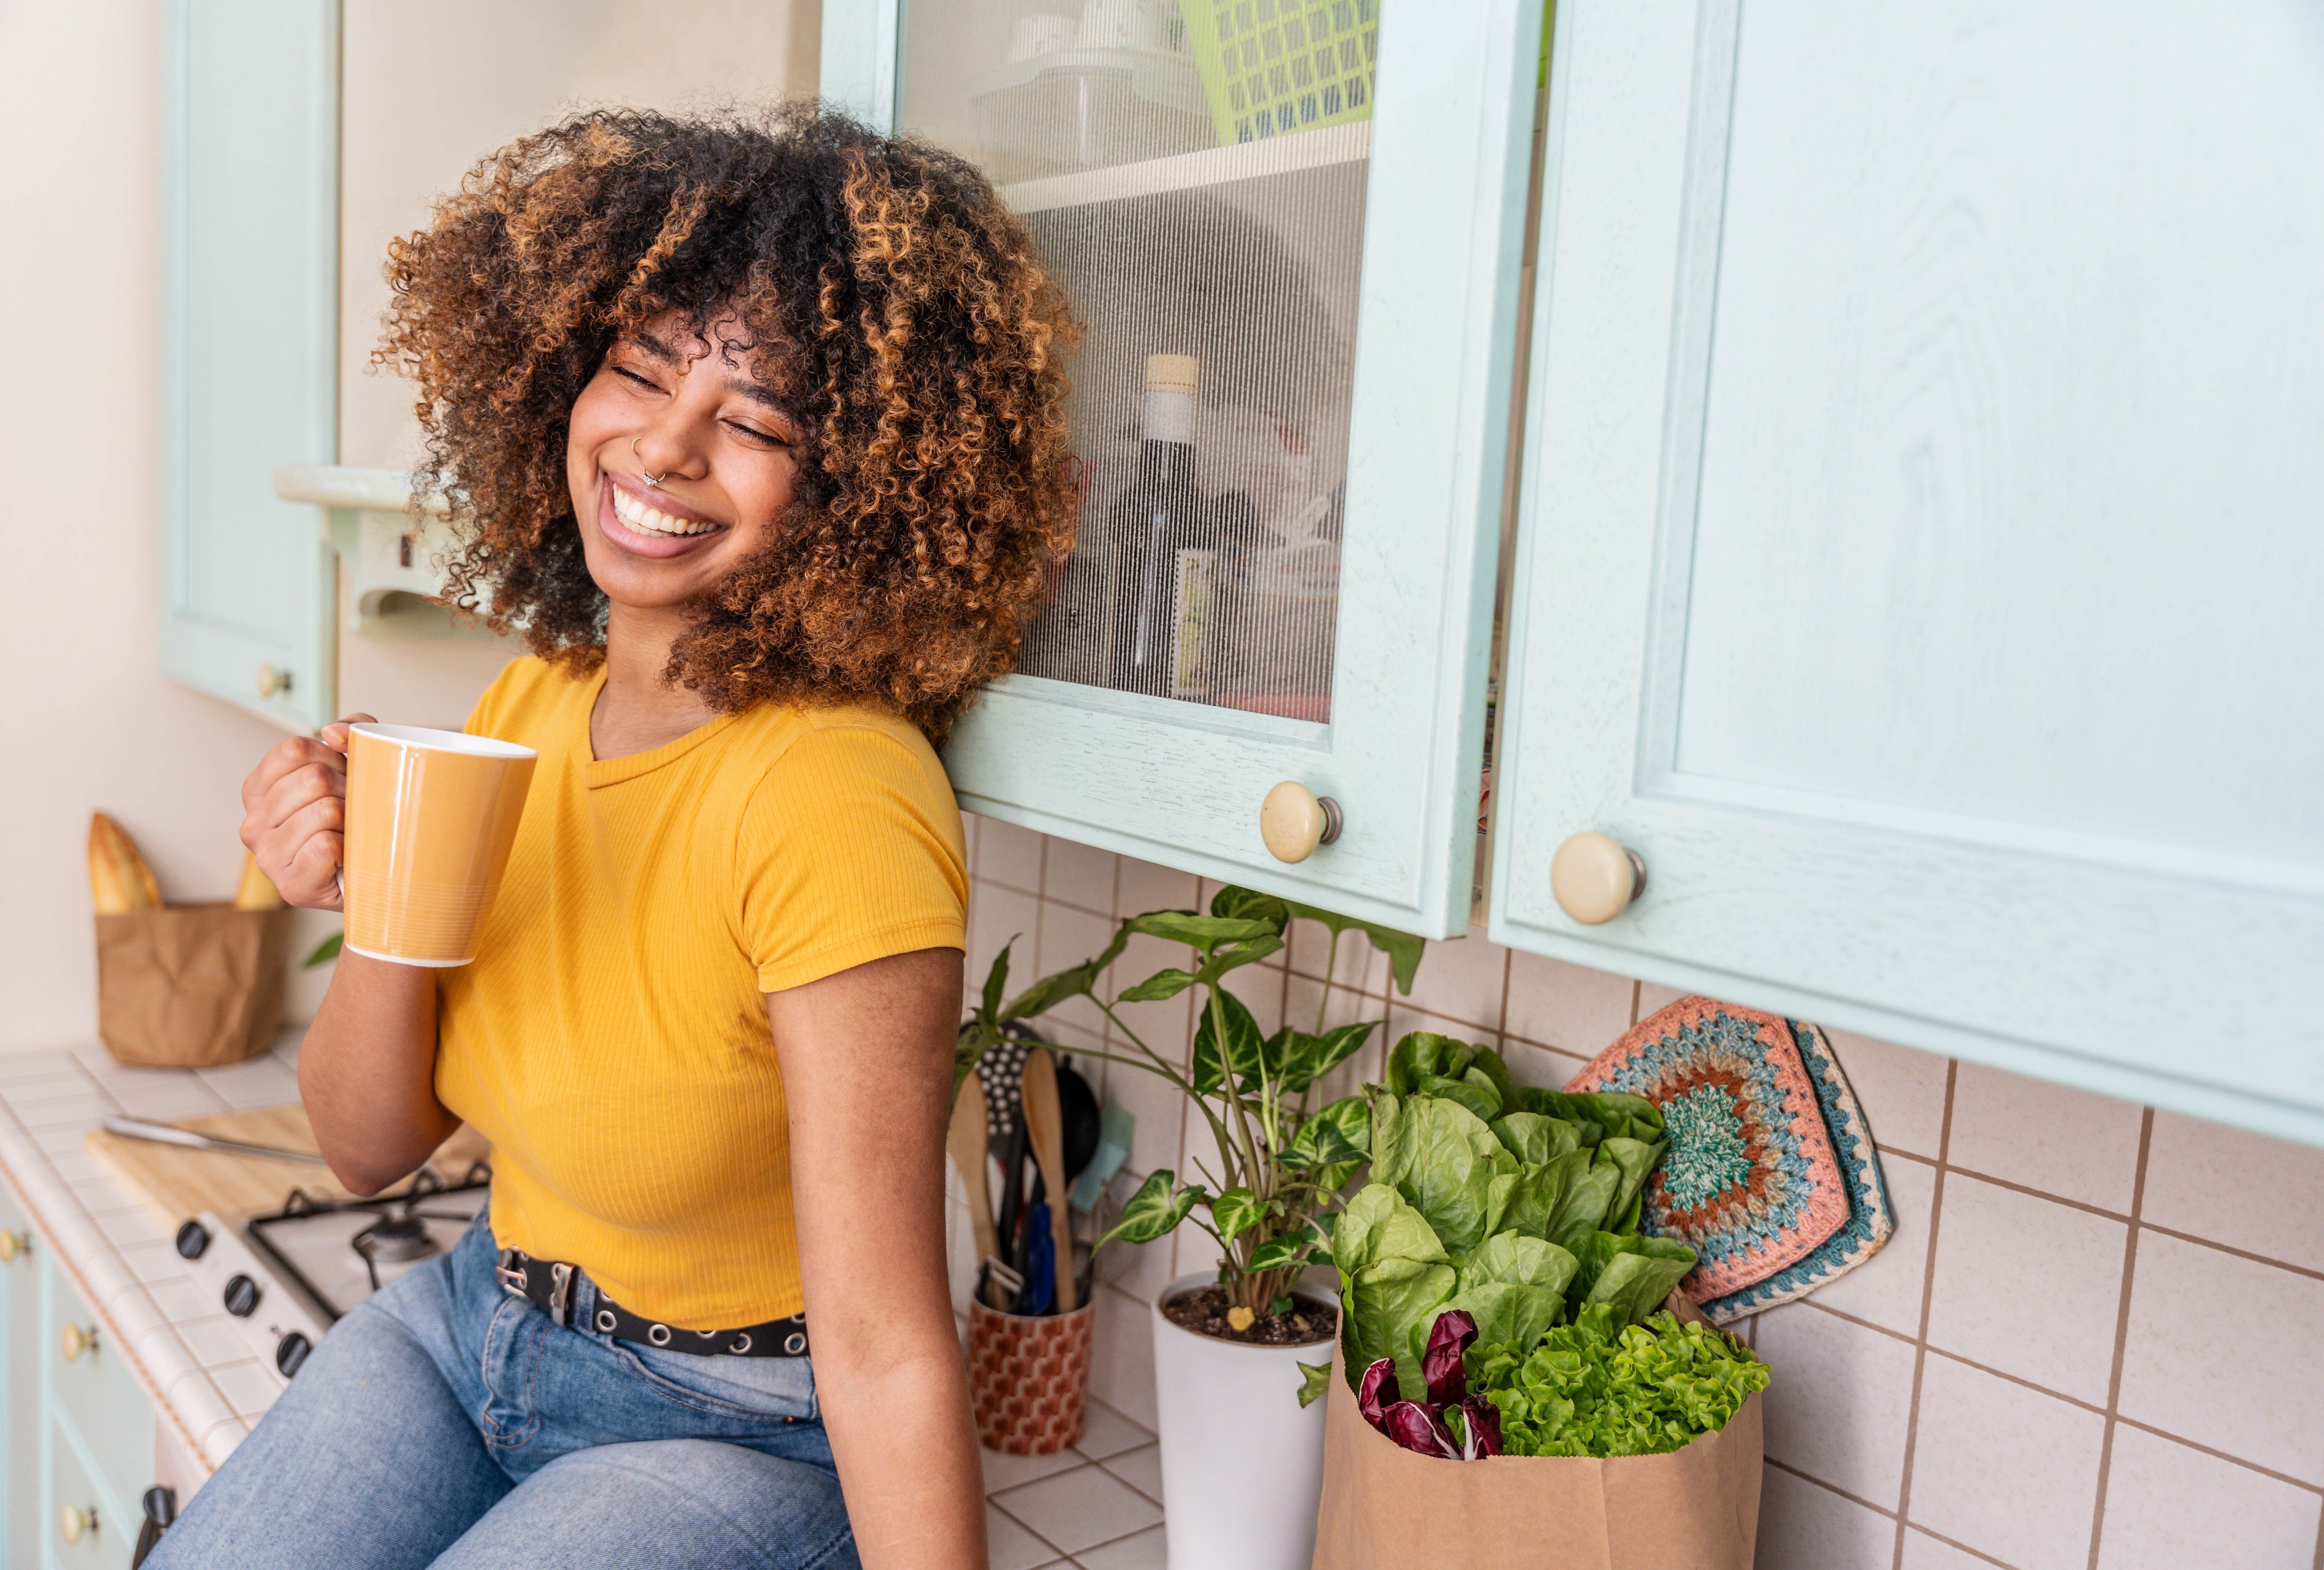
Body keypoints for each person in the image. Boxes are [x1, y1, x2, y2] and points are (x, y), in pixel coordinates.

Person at [153, 105, 1076, 1570]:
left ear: (861, 493)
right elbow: (364, 1142)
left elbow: (888, 1341)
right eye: (639, 370)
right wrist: (360, 876)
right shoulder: (523, 705)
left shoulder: (838, 794)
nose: (662, 442)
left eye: (758, 423)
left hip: (734, 1422)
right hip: (475, 1331)